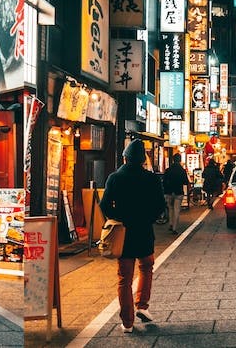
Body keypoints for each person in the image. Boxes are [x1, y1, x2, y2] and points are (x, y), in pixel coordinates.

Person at [99, 141, 166, 334]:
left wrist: (116, 217)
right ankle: (142, 306)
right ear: (142, 160)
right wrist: (148, 218)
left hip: (123, 233)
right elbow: (160, 205)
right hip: (144, 231)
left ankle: (127, 322)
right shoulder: (151, 179)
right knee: (146, 267)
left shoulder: (115, 178)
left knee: (124, 277)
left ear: (125, 158)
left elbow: (104, 205)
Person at [160, 154, 188, 234]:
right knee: (176, 209)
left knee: (170, 208)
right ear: (179, 160)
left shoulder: (168, 170)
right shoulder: (182, 170)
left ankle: (171, 224)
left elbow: (164, 181)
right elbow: (185, 182)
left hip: (168, 192)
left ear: (173, 160)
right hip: (178, 192)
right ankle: (174, 228)